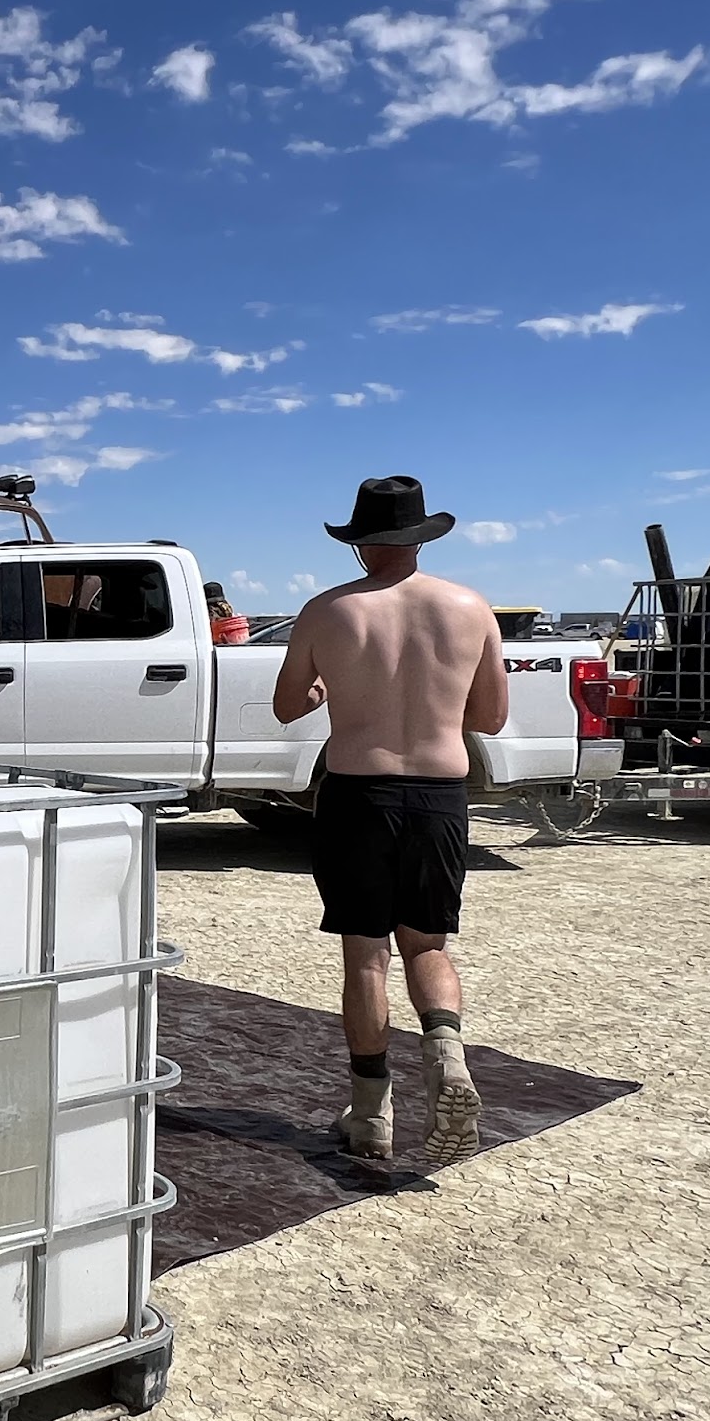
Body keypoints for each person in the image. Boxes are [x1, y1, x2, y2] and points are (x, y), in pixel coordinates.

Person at [271, 476, 507, 1173]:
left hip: (357, 791)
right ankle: (446, 1054)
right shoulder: (470, 608)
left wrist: (323, 689)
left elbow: (288, 706)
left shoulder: (327, 610)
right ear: (420, 537)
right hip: (438, 792)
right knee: (427, 944)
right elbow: (490, 718)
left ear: (362, 542)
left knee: (366, 953)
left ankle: (372, 1113)